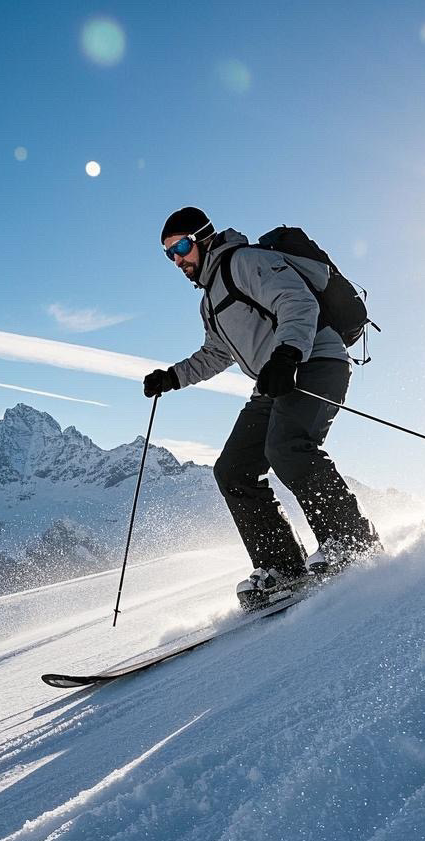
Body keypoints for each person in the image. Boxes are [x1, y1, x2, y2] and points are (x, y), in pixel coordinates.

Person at [144, 206, 380, 607]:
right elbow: (216, 353)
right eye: (169, 254)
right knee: (233, 470)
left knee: (287, 447)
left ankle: (351, 540)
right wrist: (172, 377)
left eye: (181, 247)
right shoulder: (209, 298)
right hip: (275, 381)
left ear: (203, 238)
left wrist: (287, 354)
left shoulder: (245, 261)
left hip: (315, 361)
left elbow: (297, 302)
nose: (177, 259)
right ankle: (282, 567)